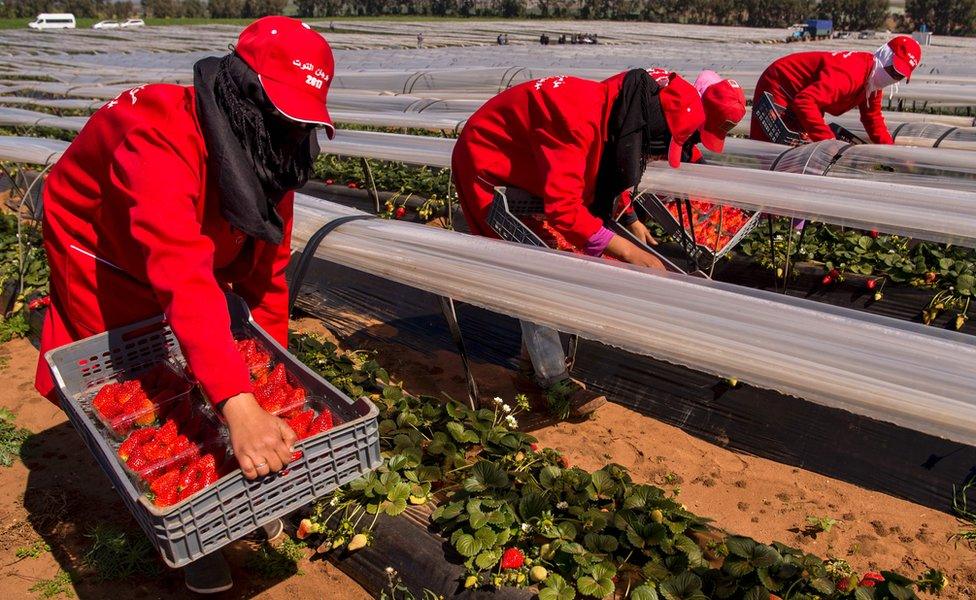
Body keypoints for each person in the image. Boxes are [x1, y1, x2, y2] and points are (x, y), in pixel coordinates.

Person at [34, 16, 335, 594]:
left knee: (216, 361)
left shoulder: (269, 151)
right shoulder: (157, 135)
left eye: (300, 122)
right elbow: (181, 273)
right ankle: (177, 517)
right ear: (243, 93)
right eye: (281, 115)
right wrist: (238, 404)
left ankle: (232, 486)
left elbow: (268, 278)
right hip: (104, 248)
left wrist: (268, 376)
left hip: (186, 240)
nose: (290, 132)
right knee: (134, 381)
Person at [452, 71, 708, 419]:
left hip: (527, 171)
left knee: (552, 256)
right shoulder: (576, 118)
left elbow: (609, 167)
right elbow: (564, 209)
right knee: (535, 272)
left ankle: (532, 365)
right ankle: (555, 384)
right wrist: (629, 252)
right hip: (489, 172)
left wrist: (629, 221)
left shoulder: (621, 103)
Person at [601, 68, 746, 238]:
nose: (698, 139)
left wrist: (704, 170)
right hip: (601, 136)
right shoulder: (654, 113)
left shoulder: (681, 99)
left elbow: (684, 141)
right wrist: (630, 219)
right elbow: (615, 161)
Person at [750, 36, 921, 144]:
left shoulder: (873, 82)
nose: (891, 77)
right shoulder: (851, 73)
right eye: (892, 70)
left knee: (799, 146)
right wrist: (828, 142)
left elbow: (872, 119)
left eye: (898, 75)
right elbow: (805, 102)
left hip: (802, 95)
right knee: (771, 150)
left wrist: (891, 153)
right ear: (885, 56)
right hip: (780, 84)